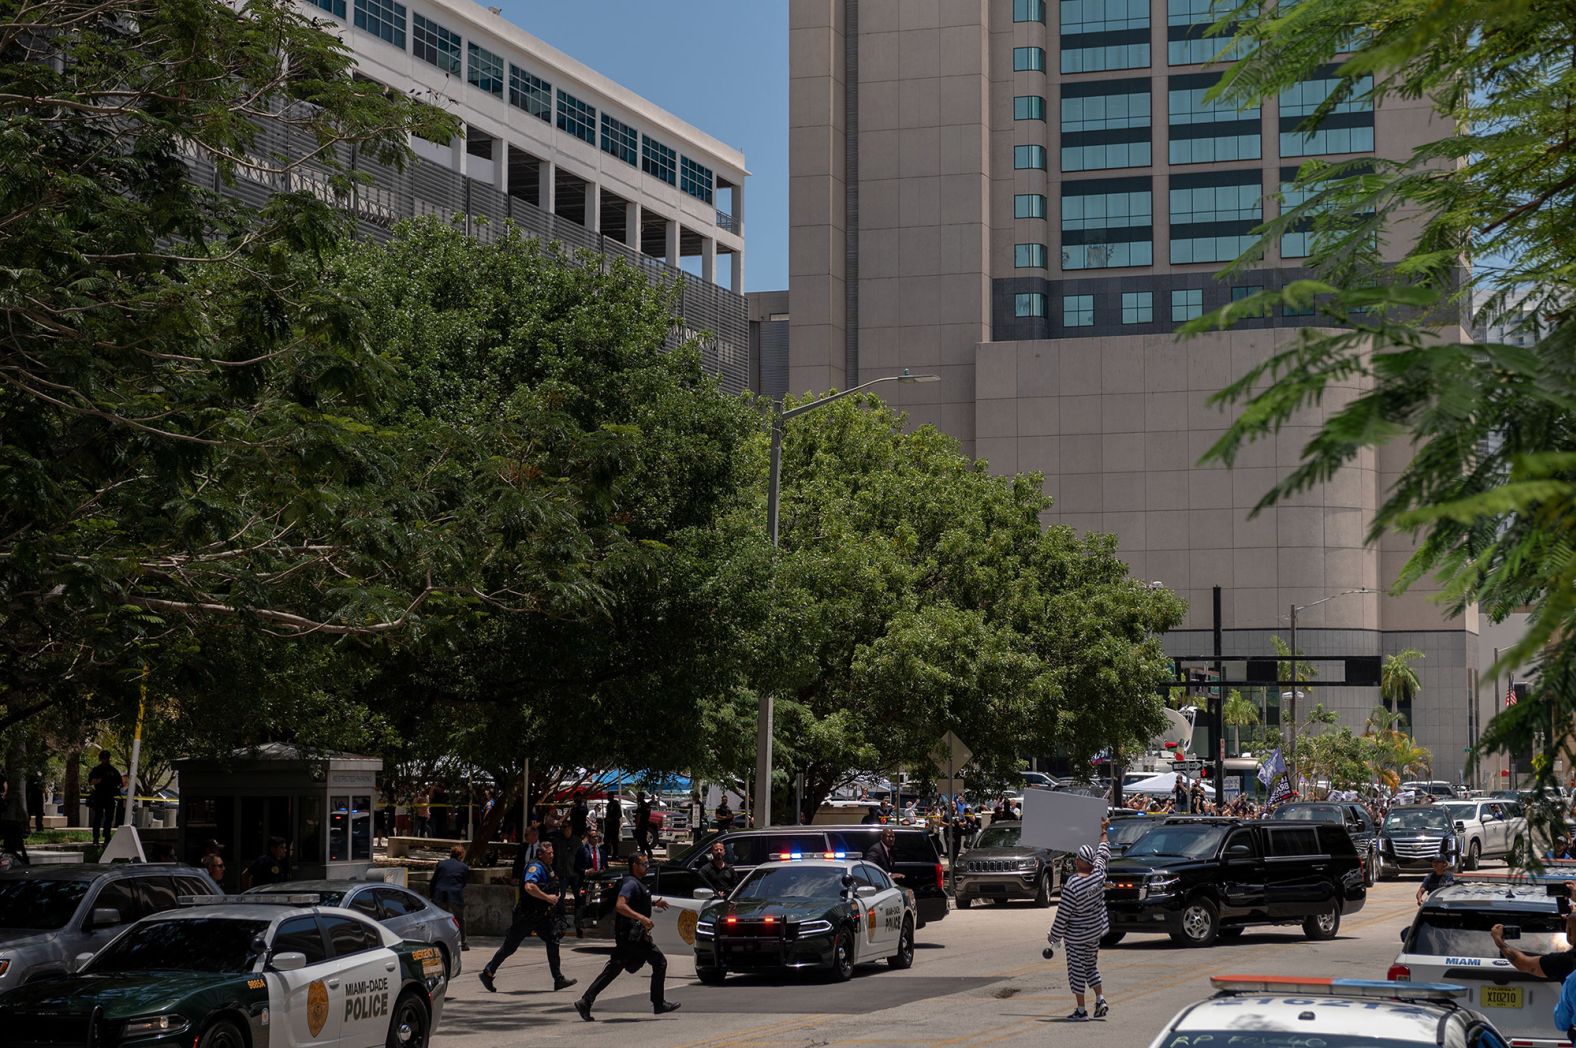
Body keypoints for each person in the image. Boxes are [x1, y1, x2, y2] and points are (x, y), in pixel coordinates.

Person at [573, 851, 680, 1021]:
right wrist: (642, 918)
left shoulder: (636, 883)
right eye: (643, 864)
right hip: (632, 937)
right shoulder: (630, 883)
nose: (647, 867)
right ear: (634, 866)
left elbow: (635, 901)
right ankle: (658, 1003)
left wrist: (653, 903)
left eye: (647, 864)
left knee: (614, 969)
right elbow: (620, 906)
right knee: (660, 962)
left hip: (629, 937)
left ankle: (585, 1001)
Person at [479, 839, 576, 994]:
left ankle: (558, 979)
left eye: (552, 853)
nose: (552, 856)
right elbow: (529, 887)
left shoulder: (547, 867)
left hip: (541, 917)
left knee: (553, 940)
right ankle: (488, 972)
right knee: (509, 947)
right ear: (540, 854)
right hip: (526, 916)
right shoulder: (535, 867)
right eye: (549, 853)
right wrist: (547, 898)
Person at [1047, 817, 1112, 1022]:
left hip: (1076, 938)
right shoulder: (1099, 874)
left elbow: (1062, 916)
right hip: (1094, 932)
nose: (1075, 861)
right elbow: (1103, 851)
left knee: (1076, 972)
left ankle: (1081, 1010)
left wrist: (1053, 937)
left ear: (1082, 862)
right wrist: (1104, 831)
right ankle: (1100, 999)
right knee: (1091, 966)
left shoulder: (1073, 885)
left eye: (1077, 859)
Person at [1493, 881, 1576, 985]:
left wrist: (1500, 942)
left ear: (1570, 934)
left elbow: (1523, 963)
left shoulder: (1564, 962)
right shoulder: (1565, 961)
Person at [430, 844, 470, 950]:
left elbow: (433, 881)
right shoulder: (464, 867)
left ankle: (440, 942)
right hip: (455, 895)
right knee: (460, 919)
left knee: (441, 919)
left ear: (450, 854)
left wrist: (431, 896)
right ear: (461, 855)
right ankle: (464, 943)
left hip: (440, 894)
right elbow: (463, 883)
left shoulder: (441, 864)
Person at [86, 749, 120, 848]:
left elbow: (119, 783)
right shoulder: (97, 769)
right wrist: (100, 780)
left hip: (109, 796)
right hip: (99, 796)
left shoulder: (113, 771)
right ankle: (96, 838)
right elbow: (91, 781)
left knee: (108, 819)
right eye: (103, 758)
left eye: (106, 758)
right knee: (98, 818)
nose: (105, 760)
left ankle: (106, 838)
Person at [634, 791, 652, 855]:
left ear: (642, 797)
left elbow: (639, 816)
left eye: (638, 796)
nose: (637, 797)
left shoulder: (641, 805)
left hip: (641, 825)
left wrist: (637, 826)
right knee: (642, 840)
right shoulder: (647, 805)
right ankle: (643, 853)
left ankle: (648, 853)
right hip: (645, 824)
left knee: (642, 840)